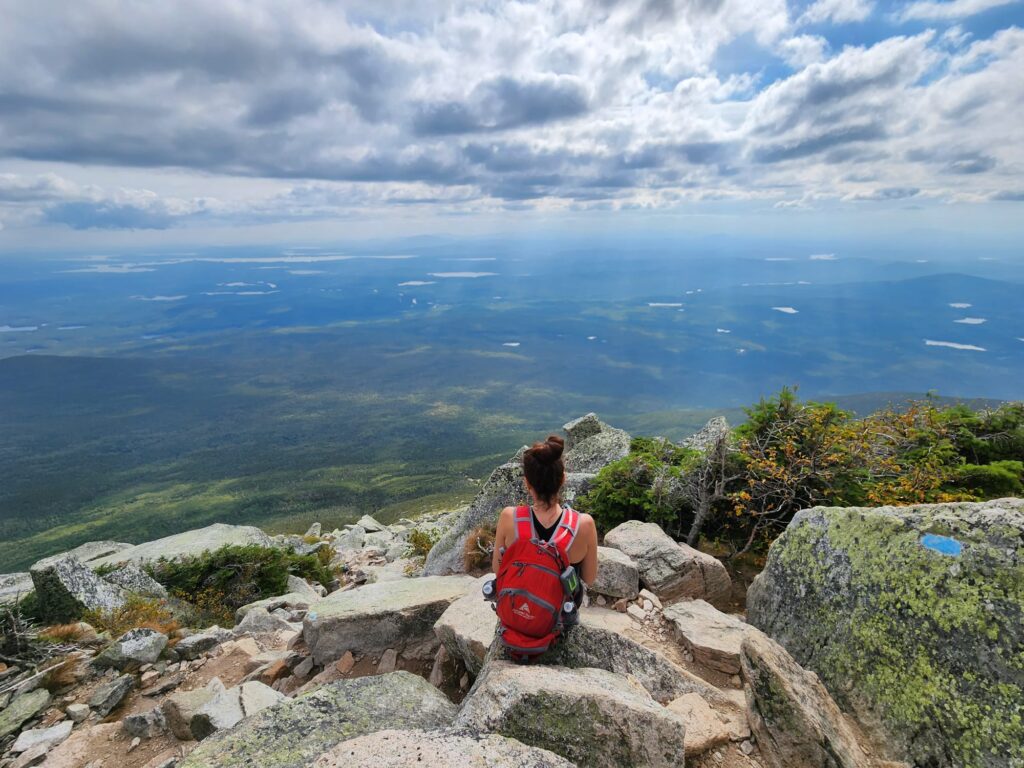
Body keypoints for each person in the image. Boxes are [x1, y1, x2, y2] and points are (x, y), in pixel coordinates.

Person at [491, 434, 599, 603]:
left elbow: (498, 570)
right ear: (563, 479)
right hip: (559, 619)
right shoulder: (584, 524)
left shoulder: (508, 518)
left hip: (516, 612)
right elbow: (590, 578)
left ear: (527, 484)